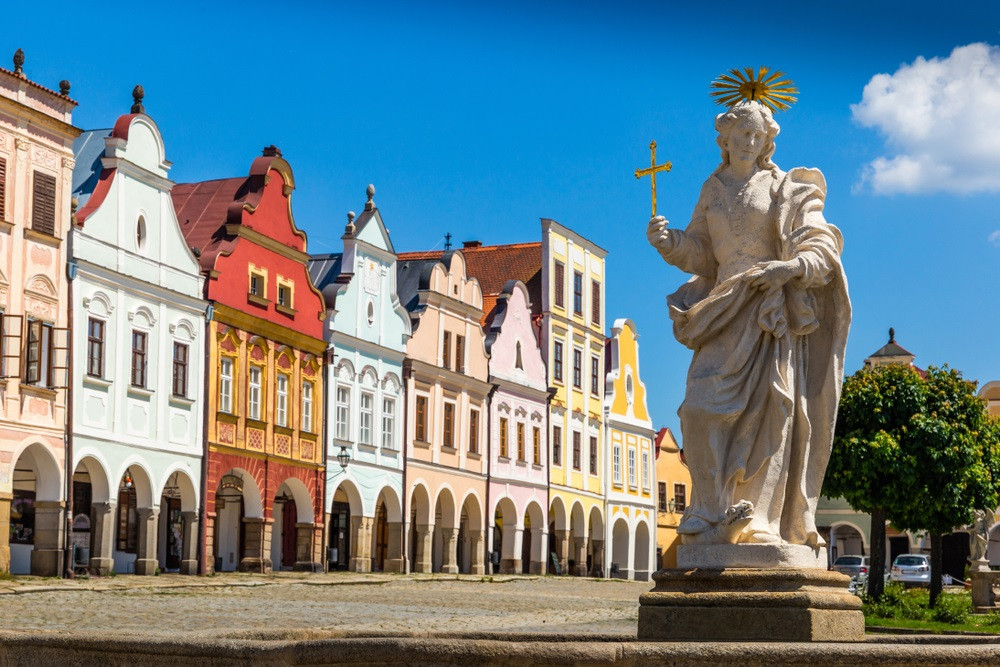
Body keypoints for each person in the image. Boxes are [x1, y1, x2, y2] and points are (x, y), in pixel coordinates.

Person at [646, 100, 850, 547]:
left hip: (766, 311)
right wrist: (670, 243)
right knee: (698, 408)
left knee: (767, 412)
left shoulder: (783, 188)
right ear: (725, 138)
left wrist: (790, 268)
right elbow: (703, 253)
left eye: (760, 137)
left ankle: (757, 519)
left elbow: (821, 246)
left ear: (768, 142)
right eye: (744, 135)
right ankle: (710, 509)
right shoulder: (713, 188)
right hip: (721, 309)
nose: (752, 143)